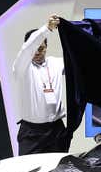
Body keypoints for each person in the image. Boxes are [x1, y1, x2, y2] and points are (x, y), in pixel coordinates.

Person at [12, 15, 71, 155]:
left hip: (56, 129)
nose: (37, 52)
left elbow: (77, 60)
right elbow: (28, 48)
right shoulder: (21, 67)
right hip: (32, 133)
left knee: (58, 171)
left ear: (46, 47)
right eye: (34, 49)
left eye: (41, 48)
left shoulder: (56, 63)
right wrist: (46, 29)